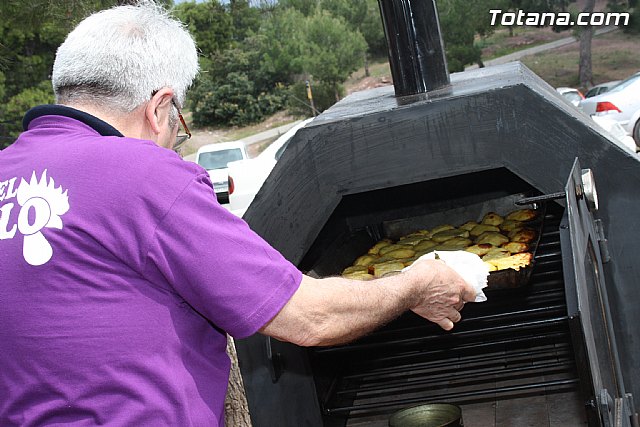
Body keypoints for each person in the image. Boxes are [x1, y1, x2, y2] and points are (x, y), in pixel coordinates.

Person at [0, 3, 476, 426]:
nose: (173, 140)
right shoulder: (141, 173)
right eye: (178, 126)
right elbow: (310, 319)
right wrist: (416, 283)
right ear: (160, 106)